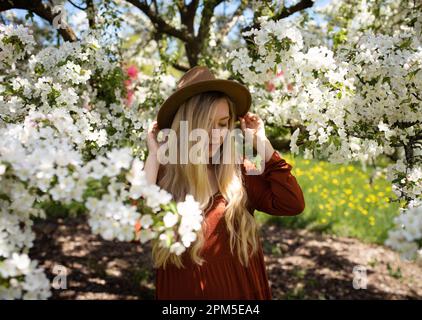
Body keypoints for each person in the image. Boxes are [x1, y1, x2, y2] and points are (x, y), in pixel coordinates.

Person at [144, 66, 305, 299]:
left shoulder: (239, 172)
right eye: (206, 123)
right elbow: (136, 223)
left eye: (222, 123)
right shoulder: (163, 175)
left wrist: (264, 147)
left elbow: (292, 204)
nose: (216, 134)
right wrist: (153, 157)